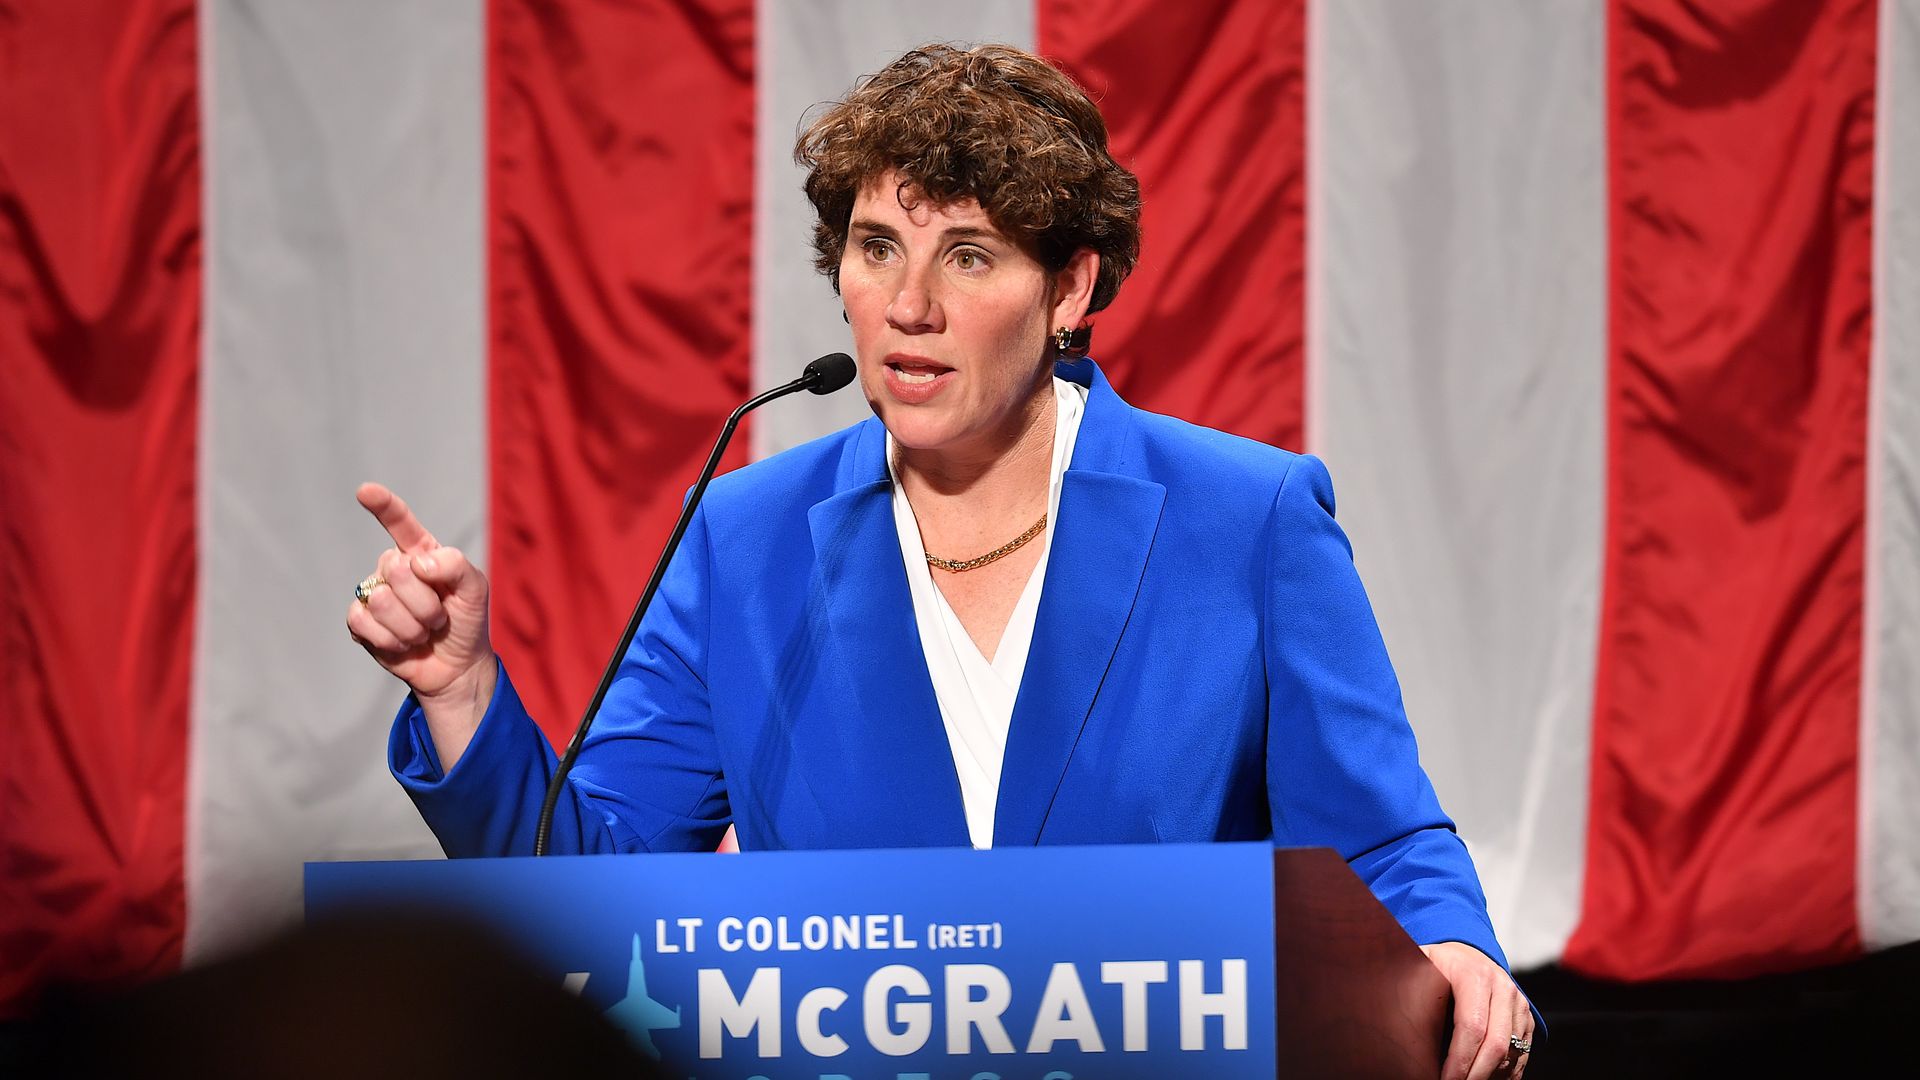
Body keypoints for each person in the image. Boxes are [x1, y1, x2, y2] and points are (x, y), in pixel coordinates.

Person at [346, 44, 1537, 1079]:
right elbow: (589, 910)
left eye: (968, 256)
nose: (907, 304)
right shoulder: (743, 537)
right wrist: (462, 696)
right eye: (876, 247)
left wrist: (1458, 948)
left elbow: (1382, 841)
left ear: (1068, 289)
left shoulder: (1247, 518)